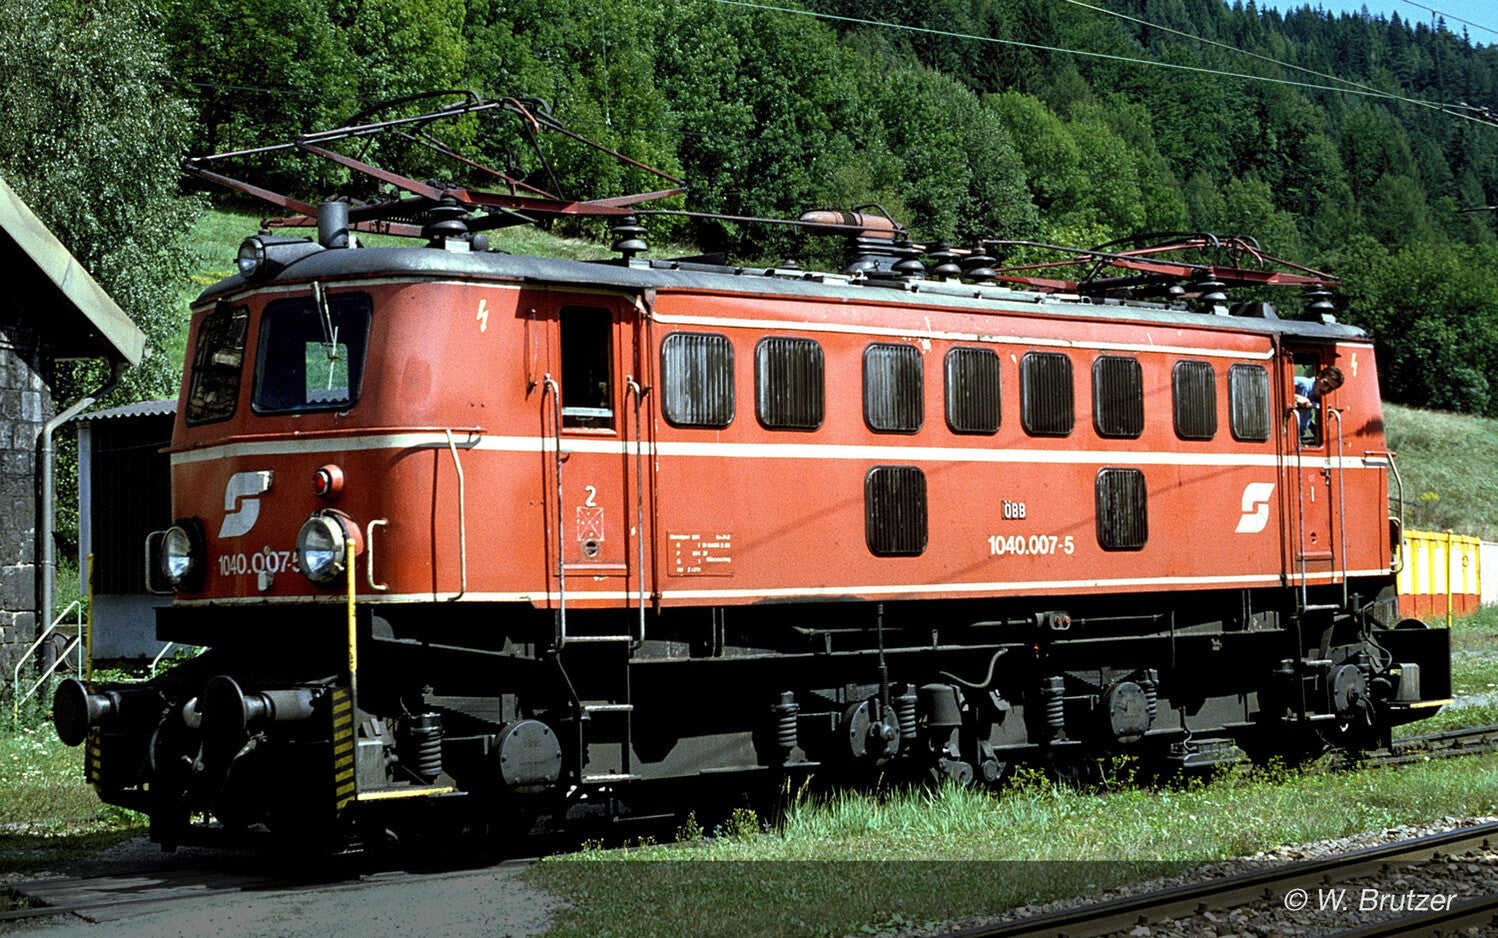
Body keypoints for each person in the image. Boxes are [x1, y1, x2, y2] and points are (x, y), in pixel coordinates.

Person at [1294, 365, 1344, 439]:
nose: (1325, 389)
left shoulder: (1317, 397)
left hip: (1298, 435)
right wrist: (1295, 397)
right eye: (1325, 383)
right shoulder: (1302, 383)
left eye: (1330, 389)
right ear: (1319, 376)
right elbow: (1276, 390)